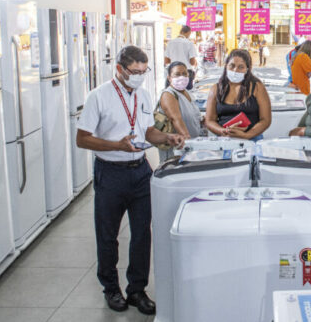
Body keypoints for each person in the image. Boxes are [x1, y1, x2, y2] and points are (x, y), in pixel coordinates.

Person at [76, 46, 185, 315]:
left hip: (140, 171)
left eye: (143, 71)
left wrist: (167, 138)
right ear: (120, 69)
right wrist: (116, 145)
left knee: (141, 233)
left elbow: (148, 132)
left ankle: (137, 289)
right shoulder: (98, 96)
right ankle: (111, 288)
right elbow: (82, 138)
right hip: (110, 171)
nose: (139, 76)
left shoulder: (144, 95)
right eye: (134, 72)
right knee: (108, 234)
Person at [205, 49, 272, 141]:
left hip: (252, 138)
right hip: (224, 139)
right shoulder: (216, 89)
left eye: (241, 67)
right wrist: (223, 131)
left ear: (247, 69)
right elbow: (209, 120)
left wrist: (247, 135)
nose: (235, 70)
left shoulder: (257, 87)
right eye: (232, 66)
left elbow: (265, 120)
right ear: (226, 66)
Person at [157, 62, 202, 163]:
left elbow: (195, 117)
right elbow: (176, 119)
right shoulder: (168, 95)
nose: (182, 77)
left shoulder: (187, 93)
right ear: (169, 78)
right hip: (178, 149)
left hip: (191, 146)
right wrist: (189, 143)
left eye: (184, 74)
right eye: (177, 74)